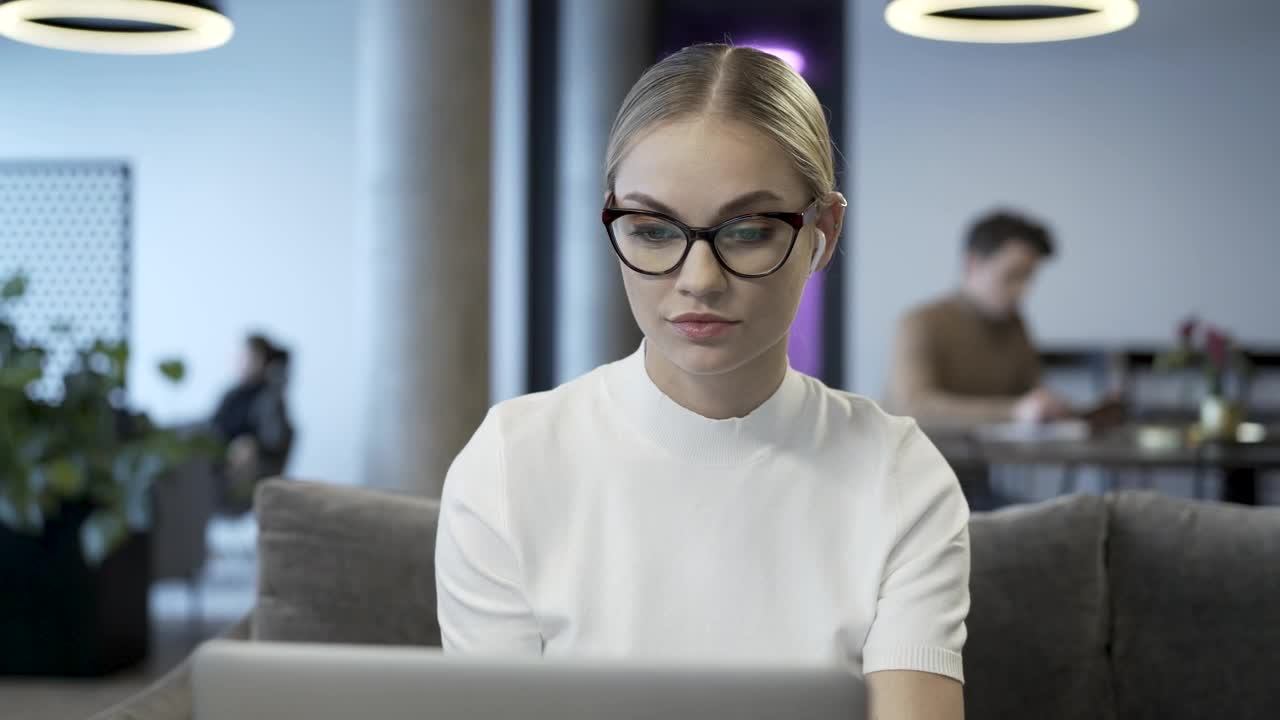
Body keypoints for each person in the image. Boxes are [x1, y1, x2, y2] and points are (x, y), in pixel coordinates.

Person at [435, 45, 968, 719]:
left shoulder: (901, 475)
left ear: (822, 232)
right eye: (653, 230)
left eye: (747, 231)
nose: (698, 280)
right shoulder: (510, 464)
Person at [886, 210, 1073, 428]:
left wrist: (1050, 406)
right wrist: (1014, 411)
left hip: (981, 459)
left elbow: (1031, 395)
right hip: (910, 459)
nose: (1023, 290)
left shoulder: (1015, 325)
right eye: (1012, 275)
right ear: (973, 263)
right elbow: (914, 407)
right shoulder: (920, 323)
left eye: (1028, 278)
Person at [210, 333, 294, 512]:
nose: (243, 361)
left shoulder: (270, 399)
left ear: (264, 362)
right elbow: (211, 427)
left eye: (250, 356)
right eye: (241, 356)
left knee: (245, 448)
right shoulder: (231, 395)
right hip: (215, 460)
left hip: (249, 473)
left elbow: (274, 440)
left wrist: (278, 380)